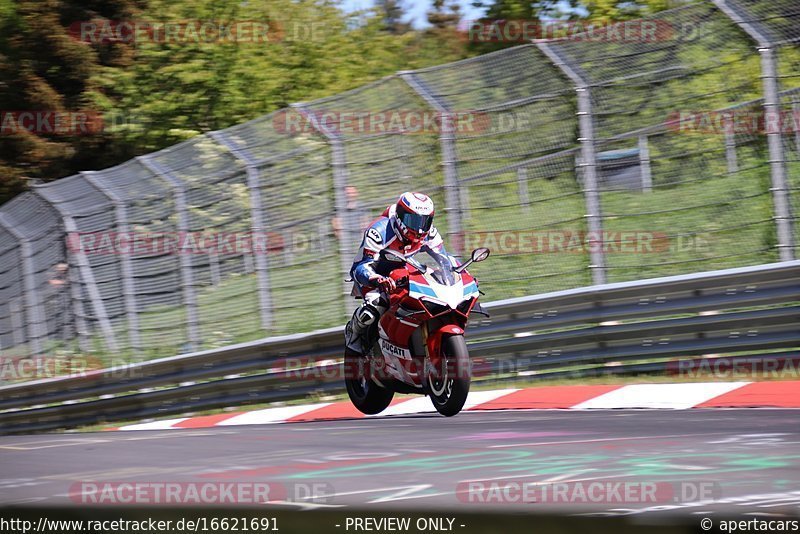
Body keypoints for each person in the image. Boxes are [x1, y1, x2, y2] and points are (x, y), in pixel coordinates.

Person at [344, 192, 454, 355]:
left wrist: (456, 276)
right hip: (375, 274)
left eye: (425, 221)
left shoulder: (428, 232)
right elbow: (360, 267)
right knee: (374, 307)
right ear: (401, 216)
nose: (420, 228)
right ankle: (354, 333)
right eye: (414, 221)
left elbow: (444, 259)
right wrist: (376, 279)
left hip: (403, 271)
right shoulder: (379, 231)